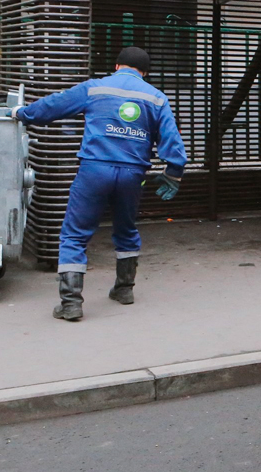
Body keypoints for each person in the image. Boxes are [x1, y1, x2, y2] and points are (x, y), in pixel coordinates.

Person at [13, 46, 186, 321]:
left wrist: (22, 113)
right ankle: (124, 289)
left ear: (117, 66)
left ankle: (71, 303)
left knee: (74, 233)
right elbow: (172, 142)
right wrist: (173, 173)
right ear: (144, 73)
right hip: (133, 175)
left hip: (94, 170)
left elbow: (53, 106)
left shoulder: (95, 88)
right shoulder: (156, 98)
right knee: (126, 229)